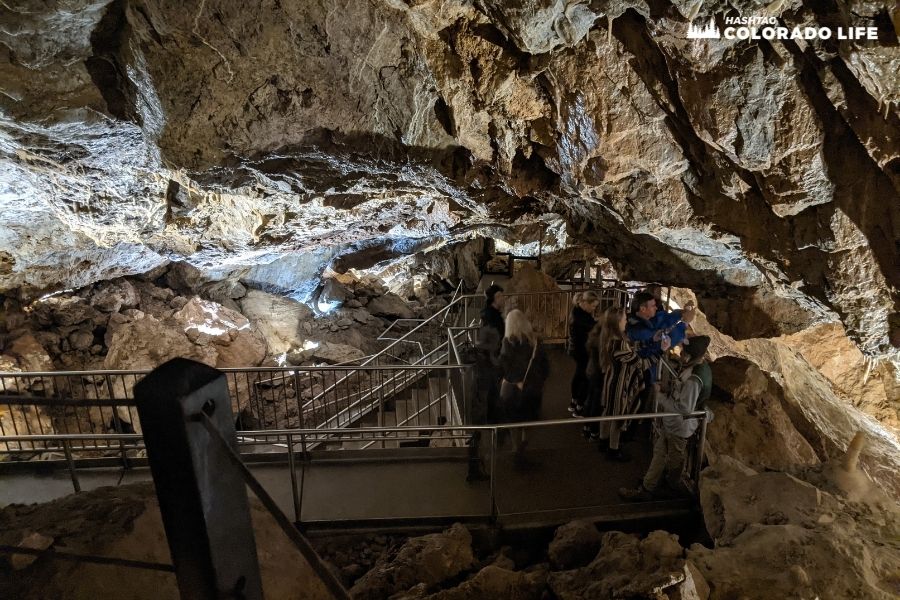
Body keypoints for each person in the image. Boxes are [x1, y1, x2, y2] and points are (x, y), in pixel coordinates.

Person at [619, 335, 713, 500]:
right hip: (673, 424)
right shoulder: (697, 368)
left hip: (680, 426)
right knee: (660, 452)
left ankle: (671, 487)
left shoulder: (693, 380)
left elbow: (684, 408)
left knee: (674, 460)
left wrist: (660, 397)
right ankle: (649, 485)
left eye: (685, 353)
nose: (681, 355)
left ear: (693, 356)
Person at [585, 306, 648, 461]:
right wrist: (660, 349)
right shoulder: (619, 344)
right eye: (624, 318)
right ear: (617, 322)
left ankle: (603, 441)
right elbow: (638, 362)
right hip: (618, 385)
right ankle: (614, 449)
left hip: (610, 381)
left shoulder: (608, 338)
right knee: (617, 417)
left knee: (607, 413)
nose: (626, 320)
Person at [499, 309, 549, 460]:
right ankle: (525, 442)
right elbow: (545, 366)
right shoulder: (536, 342)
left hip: (514, 389)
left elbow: (505, 366)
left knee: (514, 419)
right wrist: (538, 381)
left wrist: (516, 380)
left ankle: (515, 447)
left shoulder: (508, 342)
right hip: (533, 388)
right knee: (529, 417)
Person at [469, 284, 505, 481]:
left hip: (487, 376)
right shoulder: (491, 319)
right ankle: (475, 469)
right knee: (479, 426)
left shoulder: (491, 316)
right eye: (500, 295)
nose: (503, 298)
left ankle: (477, 467)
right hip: (486, 378)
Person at [568, 290, 600, 415]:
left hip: (577, 349)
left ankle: (574, 401)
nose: (594, 309)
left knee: (579, 375)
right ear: (585, 303)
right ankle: (579, 407)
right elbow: (592, 326)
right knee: (586, 378)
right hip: (582, 350)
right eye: (593, 306)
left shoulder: (577, 312)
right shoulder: (580, 317)